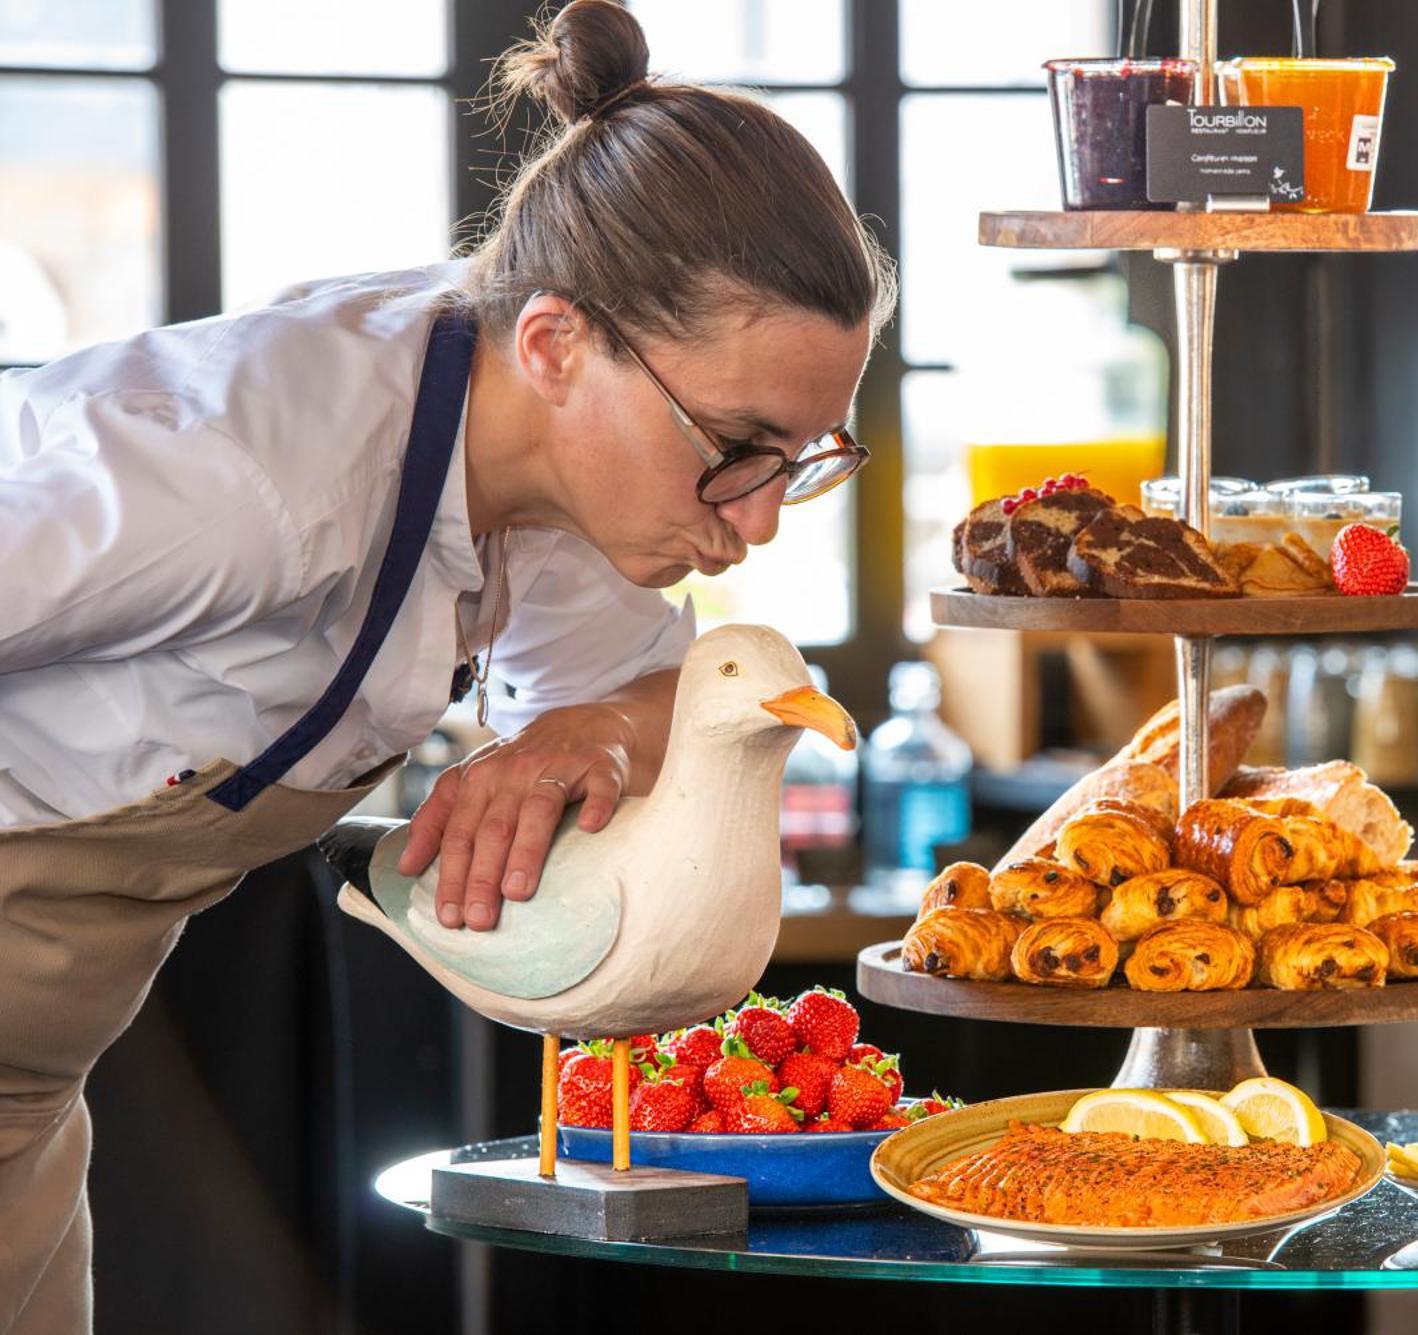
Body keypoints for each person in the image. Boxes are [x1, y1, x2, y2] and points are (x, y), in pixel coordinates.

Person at [0, 3, 894, 1328]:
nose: (758, 517)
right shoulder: (246, 478)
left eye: (805, 460)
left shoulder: (585, 484)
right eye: (740, 444)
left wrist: (580, 733)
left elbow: (660, 695)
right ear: (553, 345)